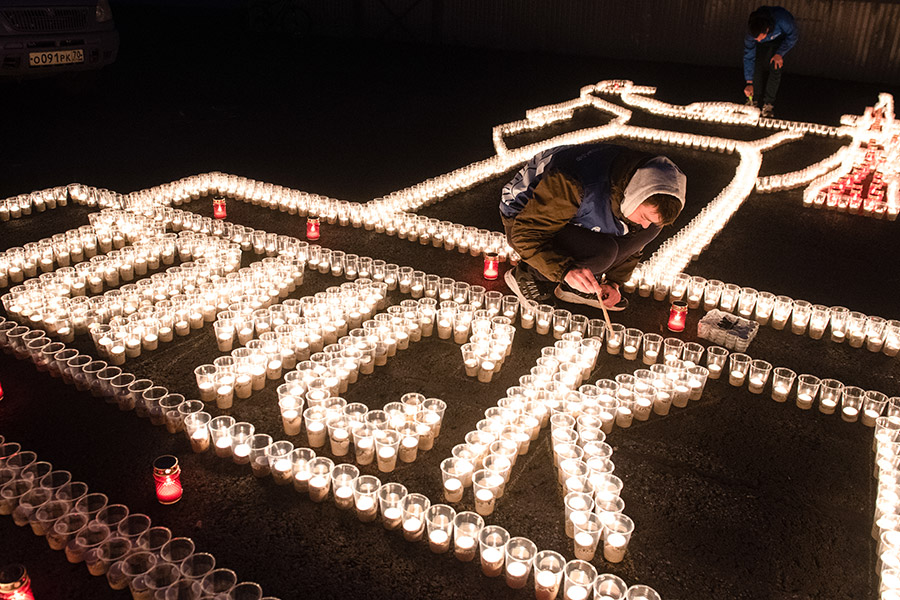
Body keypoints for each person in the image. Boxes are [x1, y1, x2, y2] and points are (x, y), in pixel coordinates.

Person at [500, 143, 686, 311]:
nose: (644, 224)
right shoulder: (571, 182)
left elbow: (635, 240)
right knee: (603, 253)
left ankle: (576, 287)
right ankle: (527, 274)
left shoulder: (634, 186)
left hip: (576, 213)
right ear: (634, 195)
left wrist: (614, 283)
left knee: (652, 227)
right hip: (524, 217)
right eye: (644, 216)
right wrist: (565, 271)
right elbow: (524, 235)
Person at [743, 6, 798, 117]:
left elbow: (793, 36)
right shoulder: (752, 35)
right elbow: (749, 56)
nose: (757, 40)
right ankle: (753, 99)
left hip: (780, 40)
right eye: (756, 39)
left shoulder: (783, 20)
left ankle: (768, 104)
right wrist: (749, 82)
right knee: (756, 64)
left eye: (759, 37)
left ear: (767, 30)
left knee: (776, 65)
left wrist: (780, 53)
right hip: (764, 43)